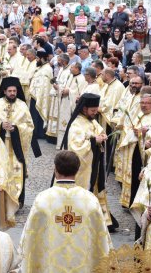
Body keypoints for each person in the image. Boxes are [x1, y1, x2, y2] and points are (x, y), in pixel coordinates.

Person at [20, 150, 111, 272]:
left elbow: (29, 238)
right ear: (77, 170)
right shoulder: (90, 200)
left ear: (55, 169)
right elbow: (102, 240)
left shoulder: (43, 199)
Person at [61, 93, 117, 230]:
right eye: (92, 111)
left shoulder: (91, 120)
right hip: (82, 169)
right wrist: (93, 140)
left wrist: (101, 136)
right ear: (84, 109)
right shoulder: (76, 124)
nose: (94, 113)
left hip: (94, 165)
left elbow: (98, 130)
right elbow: (75, 148)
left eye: (96, 110)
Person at [0, 77, 33, 215]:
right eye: (10, 91)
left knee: (16, 172)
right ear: (4, 91)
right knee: (0, 171)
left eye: (14, 91)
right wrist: (0, 126)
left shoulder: (22, 106)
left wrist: (17, 128)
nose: (13, 93)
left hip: (16, 146)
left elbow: (30, 126)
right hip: (0, 145)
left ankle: (15, 200)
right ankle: (0, 200)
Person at [28, 49, 52, 156]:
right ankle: (35, 131)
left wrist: (39, 93)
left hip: (41, 96)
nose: (36, 60)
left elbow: (45, 84)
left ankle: (39, 132)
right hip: (35, 94)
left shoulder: (47, 69)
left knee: (38, 113)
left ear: (42, 58)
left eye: (37, 58)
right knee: (34, 114)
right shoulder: (40, 67)